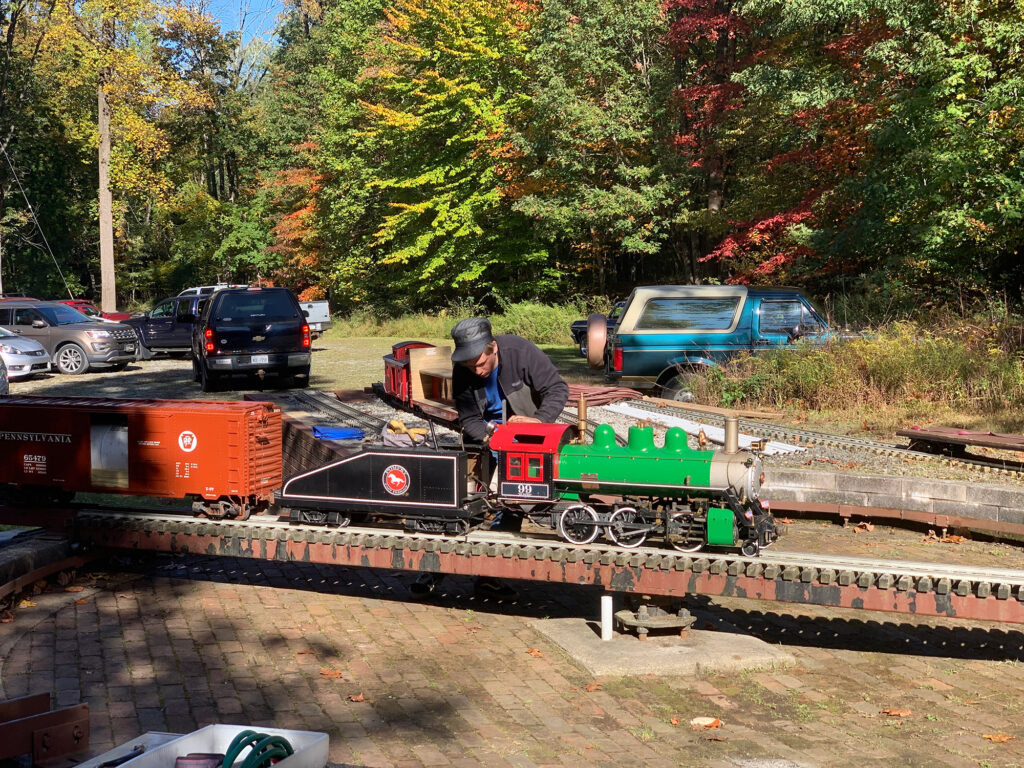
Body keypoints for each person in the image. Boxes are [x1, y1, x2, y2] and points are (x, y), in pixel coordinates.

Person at [410, 317, 569, 600]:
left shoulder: (521, 352)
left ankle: (489, 577)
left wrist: (538, 424)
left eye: (481, 364)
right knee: (465, 504)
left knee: (513, 503)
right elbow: (469, 417)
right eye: (470, 366)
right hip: (489, 439)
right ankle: (437, 567)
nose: (477, 371)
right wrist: (489, 437)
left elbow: (557, 389)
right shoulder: (464, 369)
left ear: (493, 347)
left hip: (526, 440)